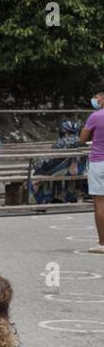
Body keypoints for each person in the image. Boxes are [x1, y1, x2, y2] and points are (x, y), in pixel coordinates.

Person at [79, 84, 104, 253]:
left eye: (98, 96)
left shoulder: (96, 116)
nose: (95, 99)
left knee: (100, 203)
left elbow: (82, 138)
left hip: (99, 161)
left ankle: (102, 243)